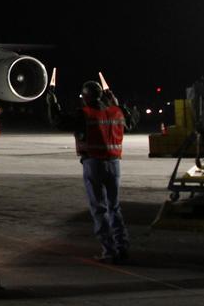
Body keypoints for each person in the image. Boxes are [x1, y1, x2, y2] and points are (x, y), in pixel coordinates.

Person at [47, 77, 138, 263]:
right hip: (114, 164)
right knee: (114, 207)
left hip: (94, 164)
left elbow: (59, 121)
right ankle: (122, 247)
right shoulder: (116, 113)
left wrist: (52, 102)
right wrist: (117, 103)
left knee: (99, 208)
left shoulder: (85, 114)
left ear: (86, 97)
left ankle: (109, 251)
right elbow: (130, 121)